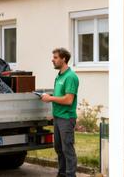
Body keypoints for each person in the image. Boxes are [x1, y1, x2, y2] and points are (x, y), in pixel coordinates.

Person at [41, 47, 79, 177]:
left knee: (67, 149)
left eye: (55, 57)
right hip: (58, 117)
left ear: (64, 59)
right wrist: (50, 98)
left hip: (66, 118)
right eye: (53, 57)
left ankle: (70, 175)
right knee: (59, 148)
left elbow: (68, 100)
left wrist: (50, 98)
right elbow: (60, 95)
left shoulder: (71, 77)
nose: (52, 60)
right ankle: (62, 173)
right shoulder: (59, 76)